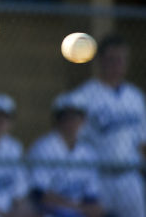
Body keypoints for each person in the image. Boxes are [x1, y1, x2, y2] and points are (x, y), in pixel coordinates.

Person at [71, 34, 146, 217]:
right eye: (111, 59)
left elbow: (142, 142)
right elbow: (75, 141)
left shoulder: (135, 97)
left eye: (121, 60)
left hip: (129, 177)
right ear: (100, 61)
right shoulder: (84, 96)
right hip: (98, 177)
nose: (117, 64)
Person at [28, 92, 110, 217]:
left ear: (83, 120)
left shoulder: (88, 152)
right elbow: (39, 194)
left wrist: (91, 209)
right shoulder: (43, 148)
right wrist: (77, 208)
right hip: (50, 211)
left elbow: (91, 196)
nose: (71, 122)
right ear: (57, 120)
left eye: (76, 117)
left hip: (79, 211)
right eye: (66, 117)